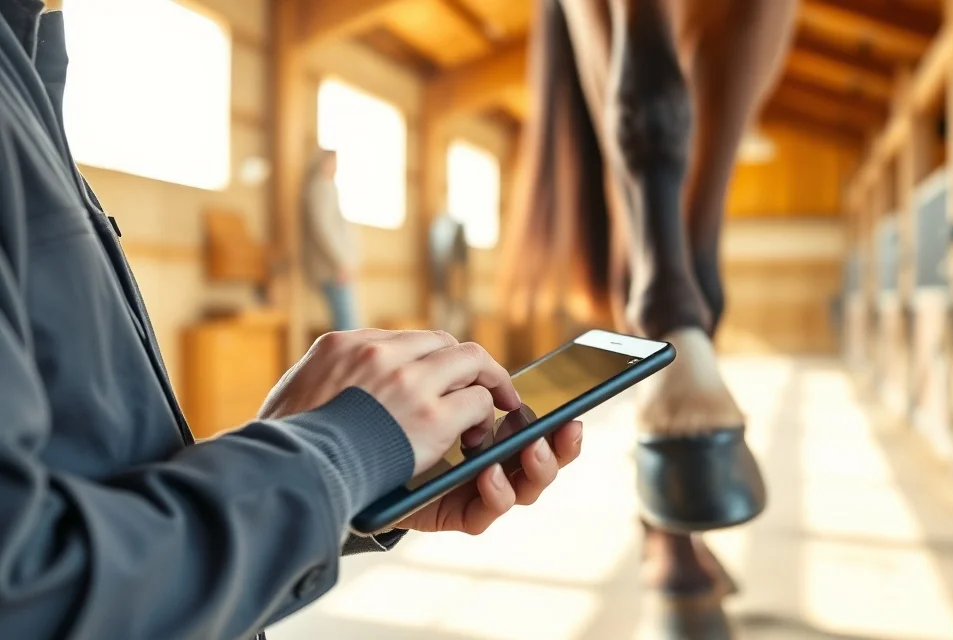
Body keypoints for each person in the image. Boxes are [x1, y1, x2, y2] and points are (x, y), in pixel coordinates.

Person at [0, 5, 582, 639]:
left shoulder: (28, 71)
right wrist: (338, 451)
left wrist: (340, 489)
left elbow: (96, 478)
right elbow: (28, 594)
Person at [303, 148, 360, 331]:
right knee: (347, 323)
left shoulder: (323, 186)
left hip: (335, 267)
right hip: (333, 269)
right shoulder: (322, 186)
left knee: (346, 320)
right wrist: (341, 262)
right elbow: (323, 227)